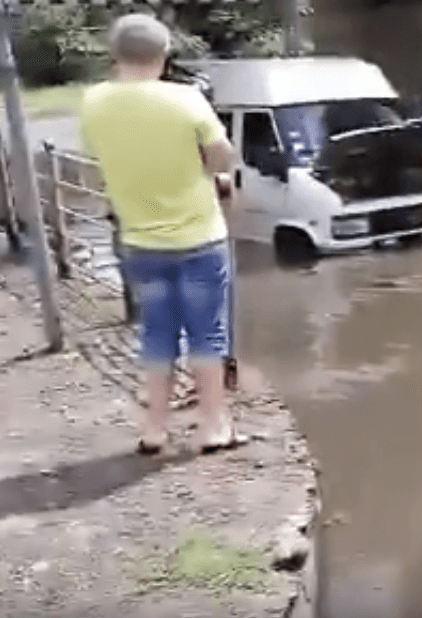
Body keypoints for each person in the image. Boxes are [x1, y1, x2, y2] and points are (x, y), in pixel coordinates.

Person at [80, 14, 239, 455]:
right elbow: (222, 159)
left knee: (156, 332)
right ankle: (211, 426)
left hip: (139, 242)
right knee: (208, 334)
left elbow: (101, 159)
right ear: (165, 54)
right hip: (199, 237)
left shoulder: (94, 101)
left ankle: (154, 430)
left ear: (113, 55)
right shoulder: (185, 99)